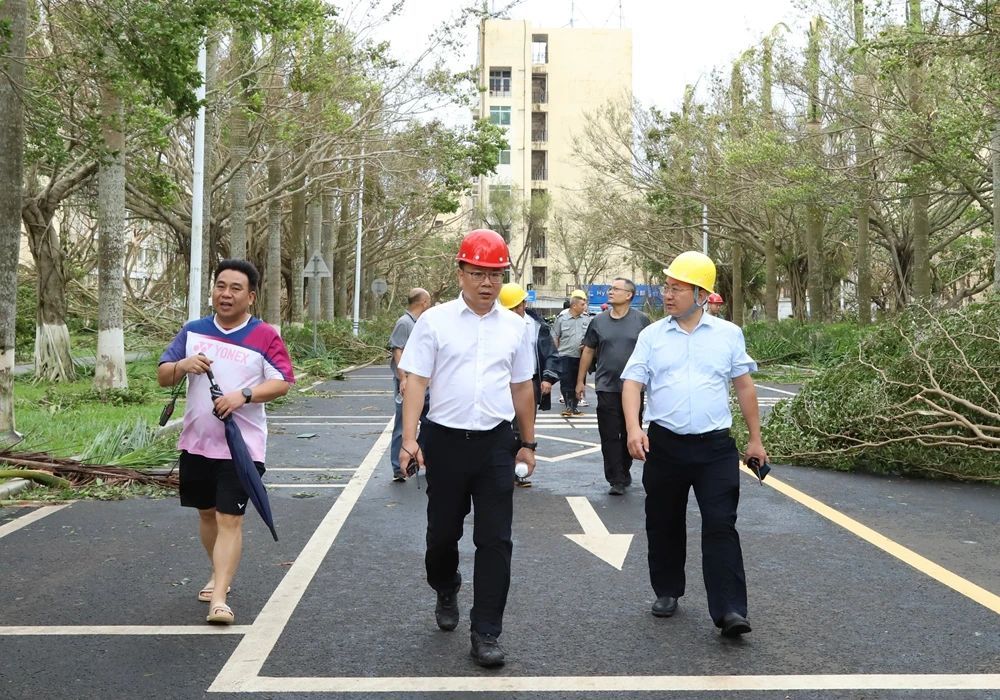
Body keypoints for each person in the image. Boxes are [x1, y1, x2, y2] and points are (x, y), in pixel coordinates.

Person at [397, 229, 538, 669]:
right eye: (477, 273)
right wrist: (409, 439)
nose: (487, 283)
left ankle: (486, 632)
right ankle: (446, 584)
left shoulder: (517, 327)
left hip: (496, 444)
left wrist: (528, 443)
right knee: (442, 535)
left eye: (495, 274)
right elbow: (416, 381)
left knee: (495, 540)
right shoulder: (434, 322)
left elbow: (522, 386)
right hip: (444, 441)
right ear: (460, 272)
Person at [620, 251, 767, 639]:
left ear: (702, 295)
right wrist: (634, 429)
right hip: (665, 445)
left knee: (721, 524)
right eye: (667, 286)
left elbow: (745, 387)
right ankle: (667, 590)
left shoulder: (728, 335)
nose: (668, 295)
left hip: (715, 448)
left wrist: (755, 439)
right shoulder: (652, 336)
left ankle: (730, 609)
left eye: (678, 288)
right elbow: (632, 383)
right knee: (664, 520)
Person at [157, 259, 294, 625]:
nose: (226, 294)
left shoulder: (264, 335)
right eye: (221, 286)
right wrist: (183, 365)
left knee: (229, 518)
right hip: (196, 443)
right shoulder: (193, 331)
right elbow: (163, 375)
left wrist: (243, 395)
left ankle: (219, 598)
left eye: (236, 288)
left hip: (241, 447)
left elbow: (281, 382)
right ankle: (219, 573)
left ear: (251, 296)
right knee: (206, 514)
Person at [576, 278, 650, 495]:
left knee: (630, 431)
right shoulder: (598, 321)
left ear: (629, 295)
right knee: (609, 435)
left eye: (616, 289)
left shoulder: (642, 321)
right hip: (606, 387)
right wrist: (580, 381)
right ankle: (615, 478)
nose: (610, 291)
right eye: (610, 288)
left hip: (634, 389)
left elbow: (652, 351)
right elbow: (588, 350)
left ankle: (623, 470)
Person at [499, 282, 560, 486]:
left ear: (523, 304)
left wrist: (547, 378)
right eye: (509, 308)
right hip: (501, 382)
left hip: (529, 382)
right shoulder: (495, 324)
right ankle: (499, 468)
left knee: (522, 426)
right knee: (500, 425)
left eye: (517, 307)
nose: (514, 311)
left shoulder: (537, 326)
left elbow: (551, 354)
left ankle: (517, 469)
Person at [388, 288, 431, 481]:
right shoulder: (404, 323)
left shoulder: (419, 322)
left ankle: (422, 457)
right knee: (403, 424)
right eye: (428, 301)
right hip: (406, 381)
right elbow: (397, 351)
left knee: (429, 422)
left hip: (421, 381)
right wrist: (403, 378)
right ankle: (399, 467)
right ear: (423, 302)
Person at [551, 289, 591, 417]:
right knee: (566, 382)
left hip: (582, 357)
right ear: (574, 305)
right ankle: (568, 406)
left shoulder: (587, 319)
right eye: (582, 304)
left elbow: (591, 336)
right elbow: (555, 336)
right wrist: (555, 354)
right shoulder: (562, 319)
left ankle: (575, 406)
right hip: (565, 355)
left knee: (579, 381)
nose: (584, 306)